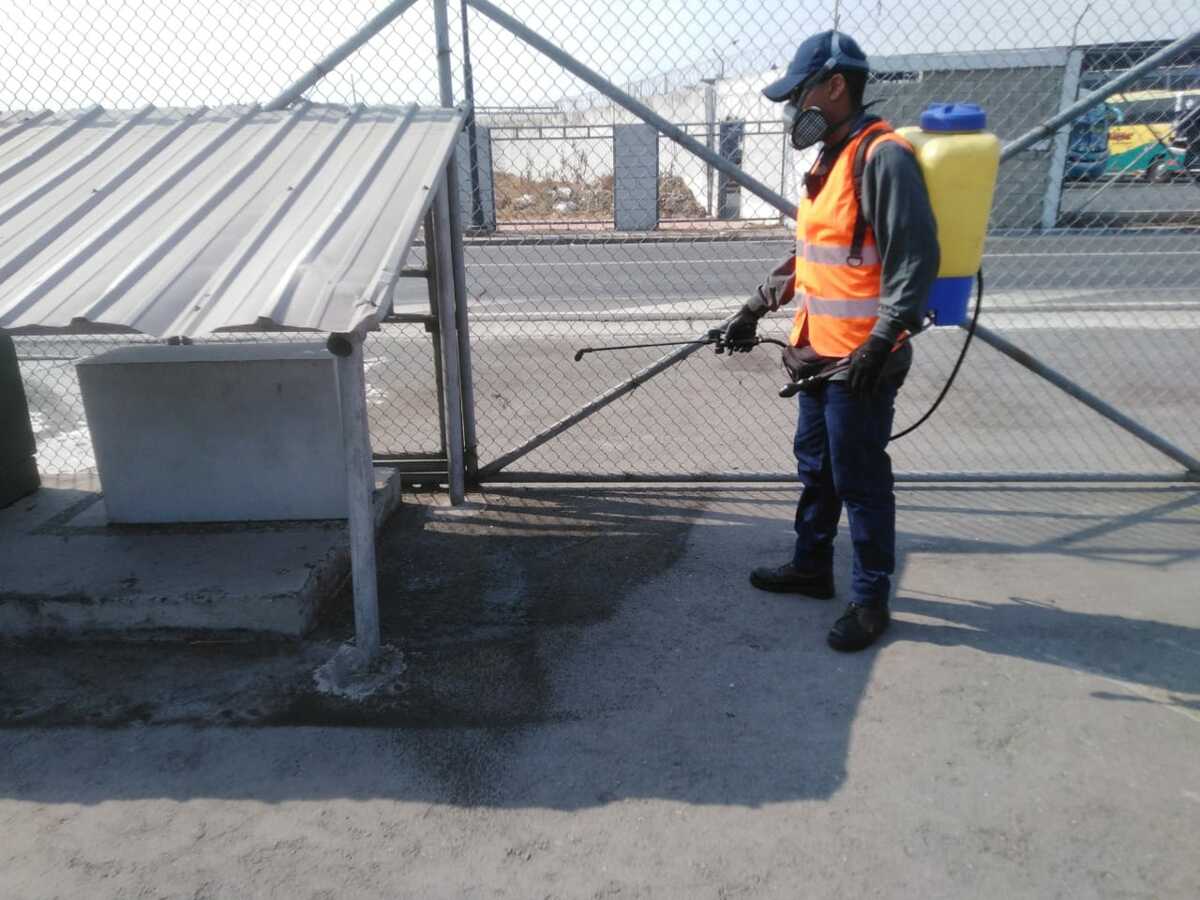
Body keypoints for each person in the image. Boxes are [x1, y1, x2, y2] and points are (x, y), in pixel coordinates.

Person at [722, 31, 939, 652]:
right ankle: (812, 566)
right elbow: (812, 254)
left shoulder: (883, 156)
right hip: (815, 350)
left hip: (861, 358)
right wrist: (753, 308)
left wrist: (883, 338)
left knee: (860, 479)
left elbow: (915, 260)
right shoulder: (830, 158)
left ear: (836, 85)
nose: (795, 107)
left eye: (800, 94)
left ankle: (870, 600)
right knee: (816, 468)